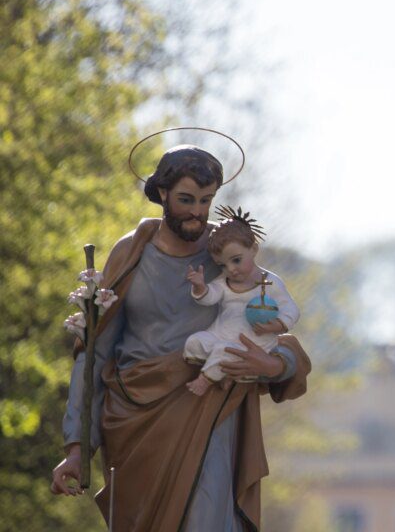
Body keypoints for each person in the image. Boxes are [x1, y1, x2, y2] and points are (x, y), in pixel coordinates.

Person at [50, 144, 311, 531]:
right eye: (187, 199)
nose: (197, 211)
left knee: (207, 519)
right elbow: (94, 353)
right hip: (134, 422)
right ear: (162, 195)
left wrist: (275, 364)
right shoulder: (131, 254)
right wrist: (77, 447)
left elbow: (272, 321)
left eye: (207, 200)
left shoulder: (225, 253)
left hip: (207, 408)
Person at [184, 205, 300, 396]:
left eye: (236, 260)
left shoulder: (270, 282)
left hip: (252, 344)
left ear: (253, 249)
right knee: (194, 342)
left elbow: (291, 309)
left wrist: (276, 325)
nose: (231, 269)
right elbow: (210, 296)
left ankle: (204, 380)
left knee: (224, 351)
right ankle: (223, 372)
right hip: (221, 336)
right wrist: (199, 287)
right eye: (223, 264)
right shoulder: (224, 282)